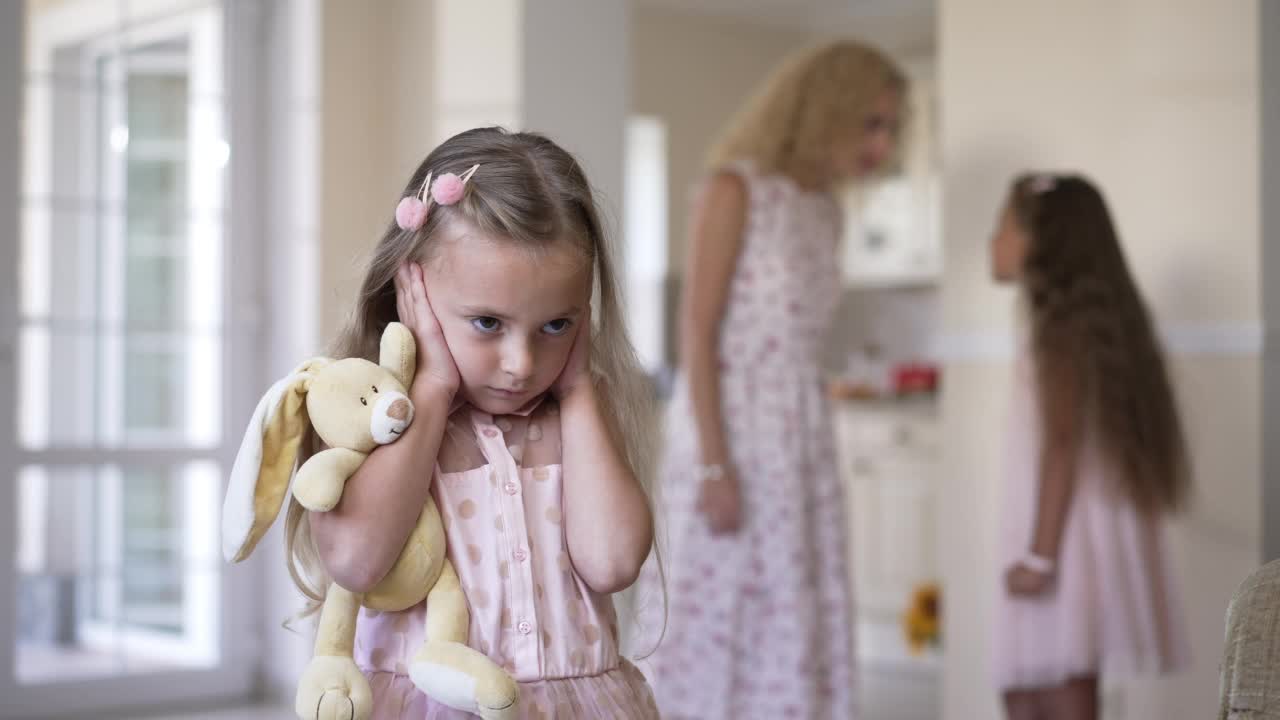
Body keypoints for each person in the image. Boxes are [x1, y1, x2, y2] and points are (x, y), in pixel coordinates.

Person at [291, 127, 661, 718]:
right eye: (488, 323)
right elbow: (357, 561)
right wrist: (432, 386)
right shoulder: (372, 422)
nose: (522, 364)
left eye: (556, 326)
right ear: (414, 288)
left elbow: (613, 562)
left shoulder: (576, 419)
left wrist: (582, 388)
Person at [640, 41, 906, 719]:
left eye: (893, 127)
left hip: (802, 438)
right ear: (828, 112)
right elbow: (696, 334)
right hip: (730, 427)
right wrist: (713, 467)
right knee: (720, 607)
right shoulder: (736, 190)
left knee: (796, 606)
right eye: (871, 123)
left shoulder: (826, 211)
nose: (883, 143)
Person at [989, 173, 1191, 720]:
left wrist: (1039, 556)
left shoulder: (1059, 330)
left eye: (1001, 227)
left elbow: (1061, 443)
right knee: (1038, 686)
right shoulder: (1066, 325)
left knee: (1052, 685)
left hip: (1062, 541)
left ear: (1040, 244)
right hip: (1068, 534)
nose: (992, 242)